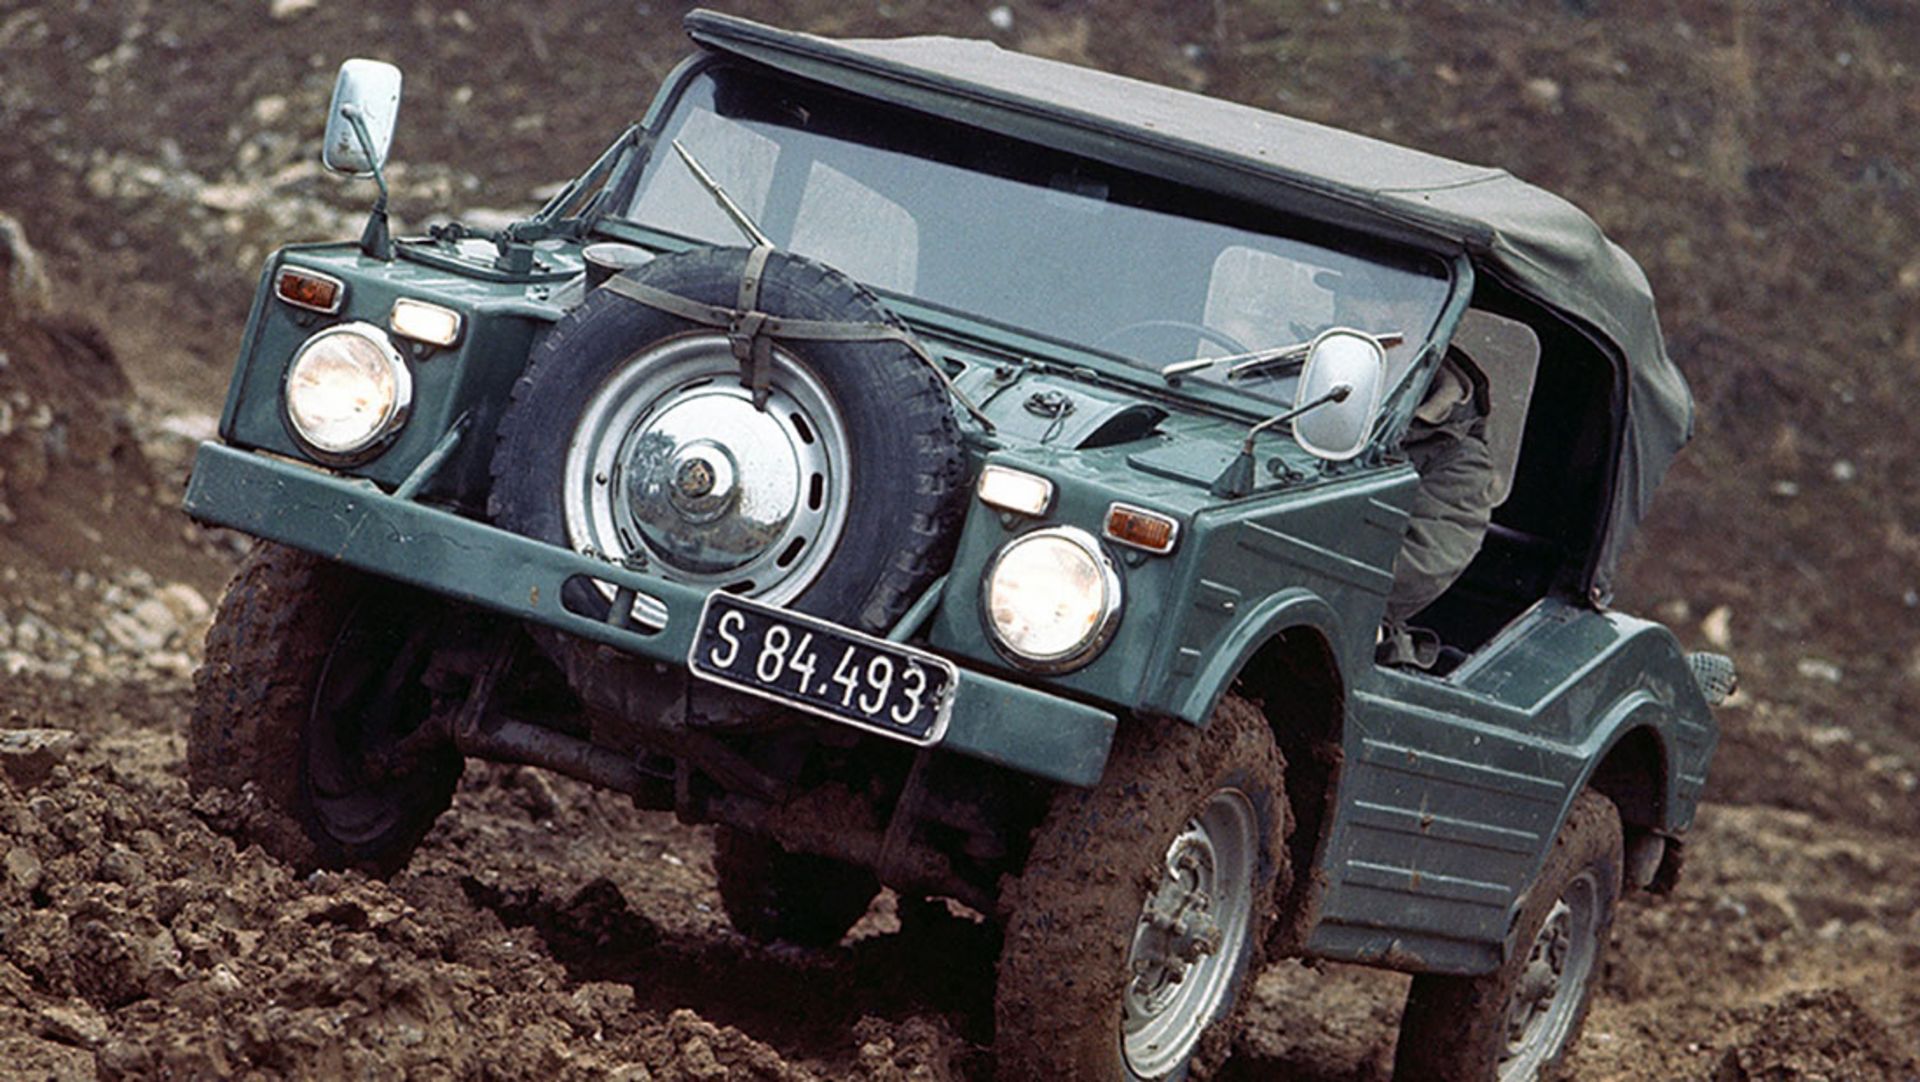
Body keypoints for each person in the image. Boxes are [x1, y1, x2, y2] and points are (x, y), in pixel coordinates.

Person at [1378, 349, 1496, 669]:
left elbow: (1419, 565)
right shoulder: (1288, 384)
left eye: (1392, 331)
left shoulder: (1460, 460)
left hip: (1345, 616)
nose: (1376, 344)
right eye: (1356, 322)